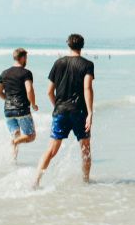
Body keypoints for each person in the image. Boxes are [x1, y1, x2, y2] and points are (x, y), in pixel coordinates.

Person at [34, 34, 94, 187]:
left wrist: (57, 106)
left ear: (68, 45)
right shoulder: (87, 64)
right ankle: (86, 182)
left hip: (60, 111)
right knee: (85, 149)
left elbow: (49, 91)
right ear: (82, 45)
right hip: (79, 112)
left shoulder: (58, 63)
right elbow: (87, 88)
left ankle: (36, 181)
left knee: (51, 150)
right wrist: (90, 112)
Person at [0, 48, 38, 160]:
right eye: (26, 58)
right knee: (31, 136)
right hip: (22, 109)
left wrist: (8, 100)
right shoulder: (26, 73)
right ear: (23, 58)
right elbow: (29, 90)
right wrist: (33, 104)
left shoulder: (4, 73)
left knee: (16, 134)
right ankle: (14, 142)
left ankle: (13, 161)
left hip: (8, 110)